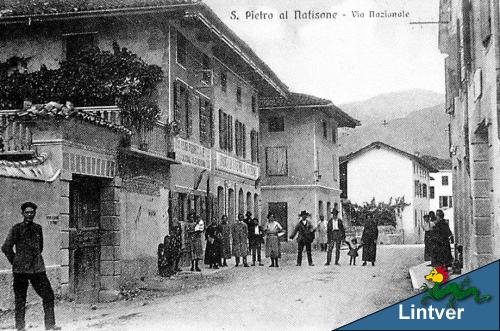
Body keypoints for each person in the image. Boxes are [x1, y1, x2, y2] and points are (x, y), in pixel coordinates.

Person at [1, 202, 60, 331]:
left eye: (32, 212)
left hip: (37, 269)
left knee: (48, 295)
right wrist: (16, 262)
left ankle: (50, 325)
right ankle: (20, 327)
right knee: (20, 299)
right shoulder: (16, 229)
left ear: (35, 213)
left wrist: (34, 260)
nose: (29, 215)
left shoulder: (38, 228)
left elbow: (40, 247)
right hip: (20, 271)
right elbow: (6, 247)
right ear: (22, 214)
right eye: (27, 212)